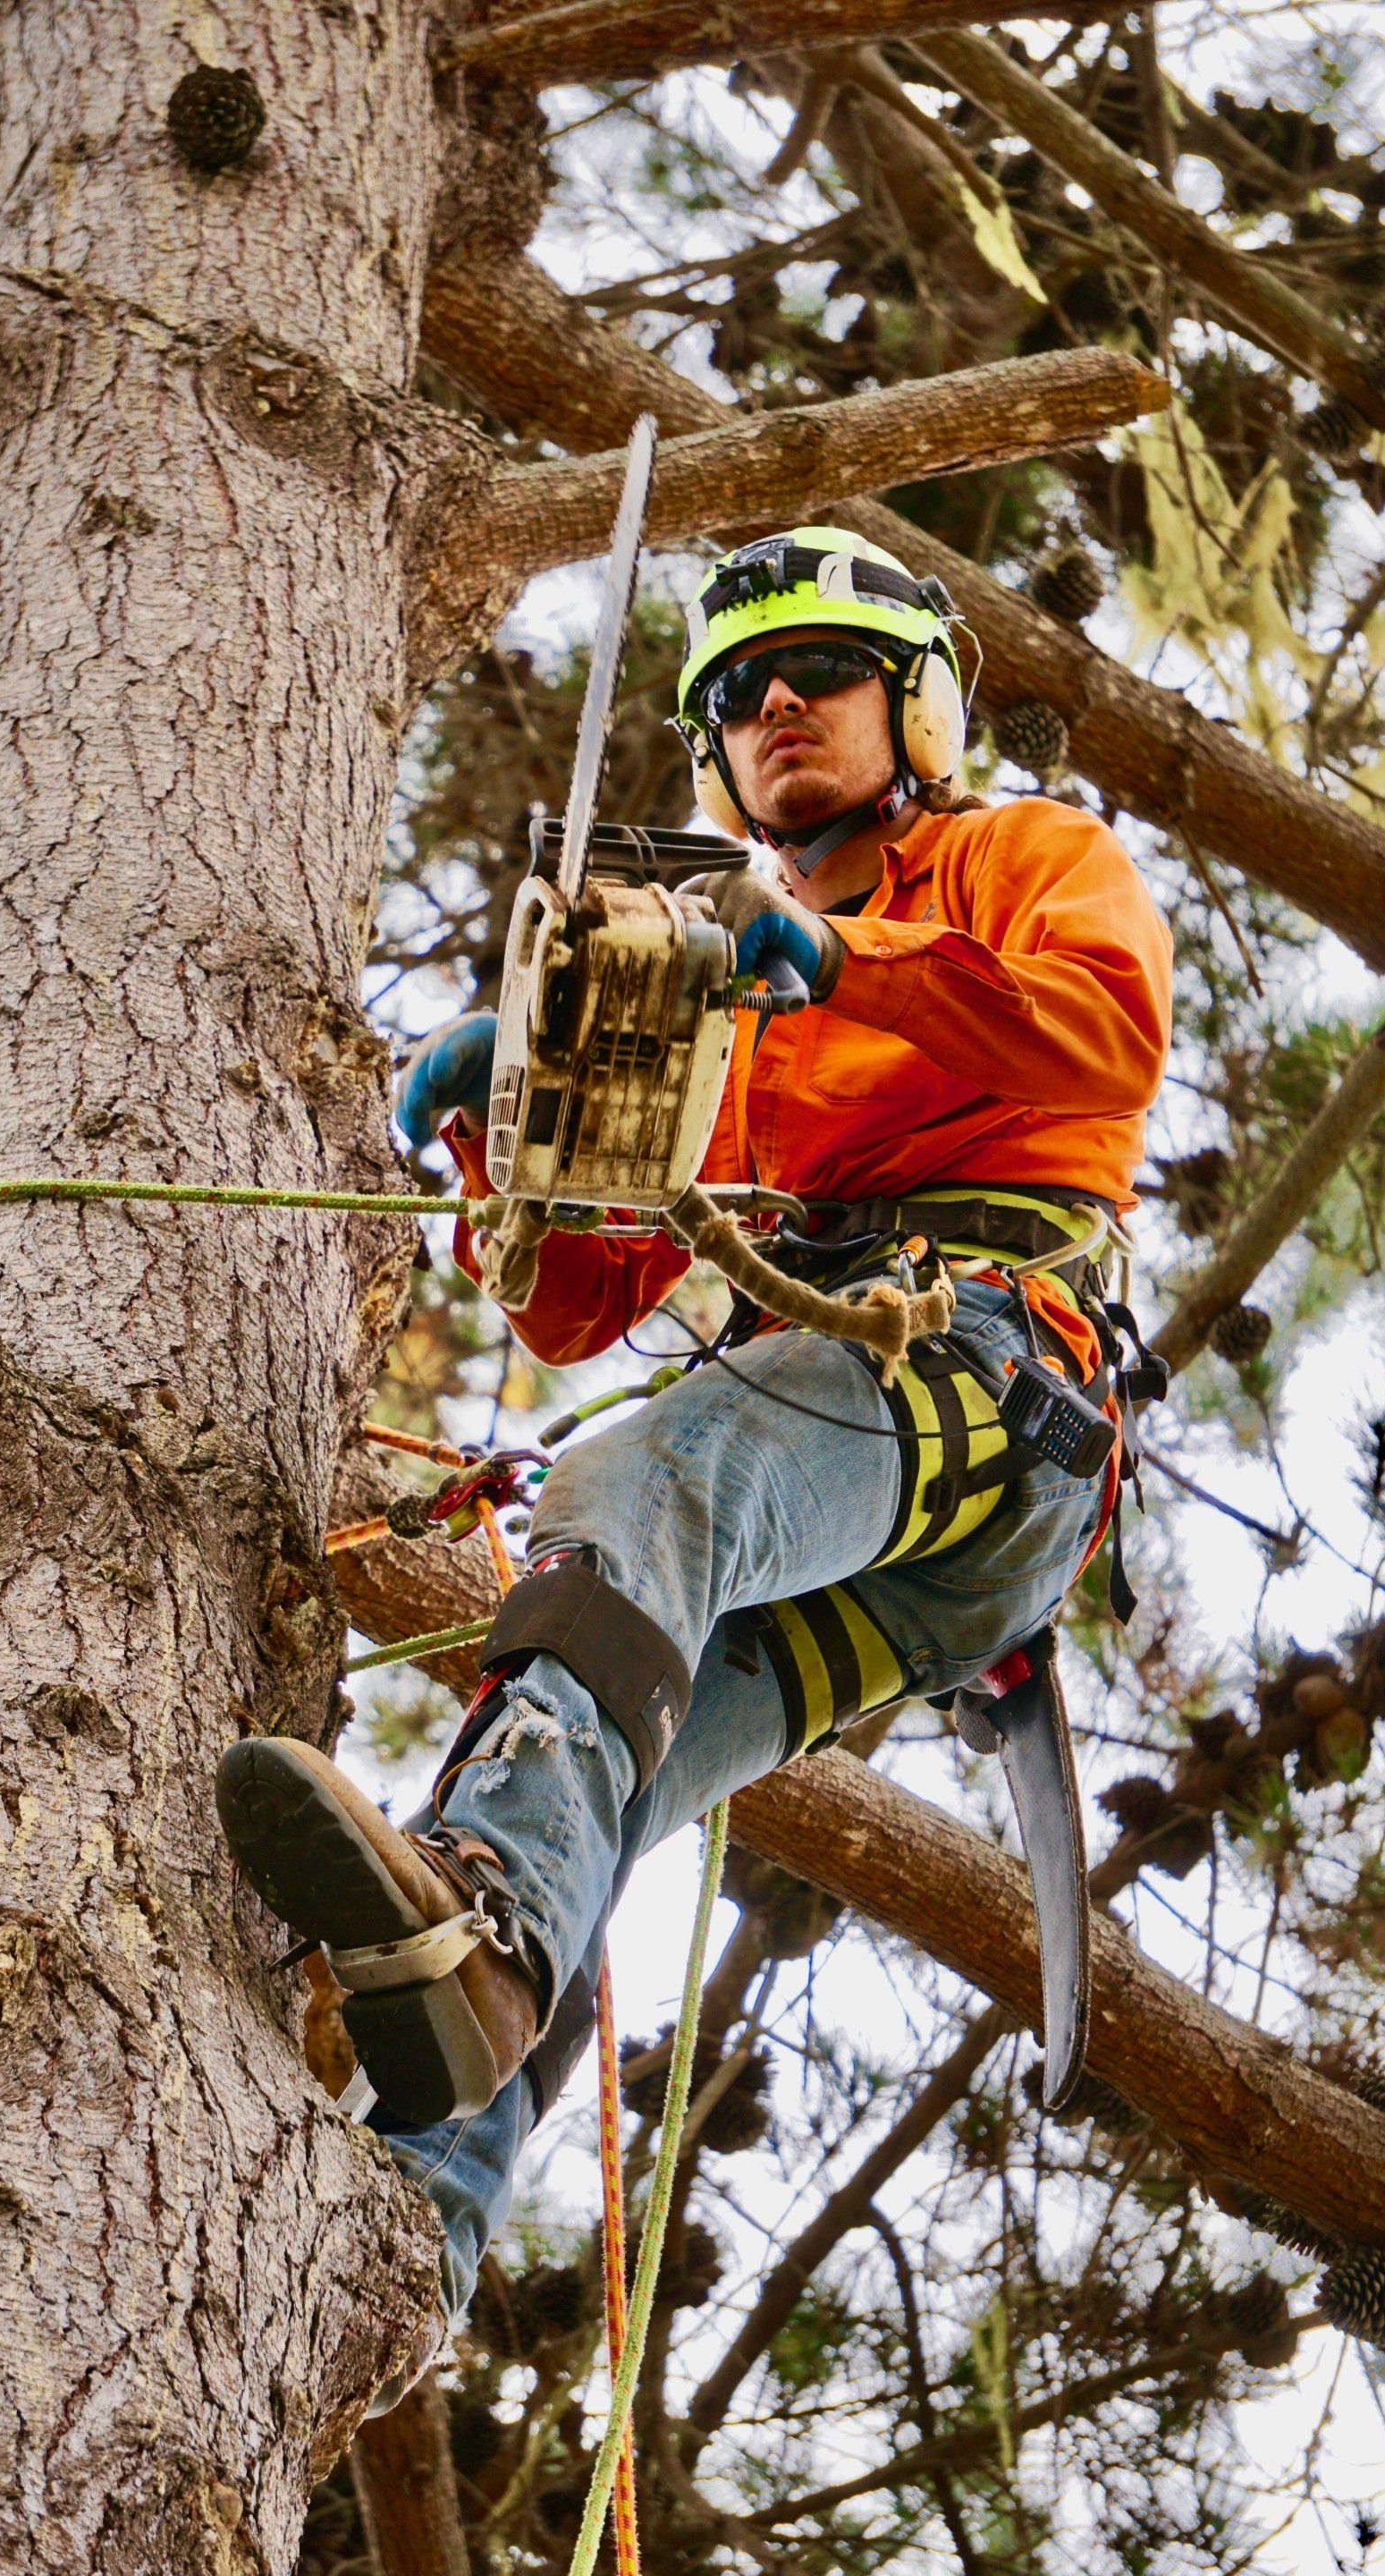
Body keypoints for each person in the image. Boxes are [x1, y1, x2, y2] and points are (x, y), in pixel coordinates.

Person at [216, 526, 1173, 2408]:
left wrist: (843, 958)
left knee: (645, 1485)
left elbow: (1105, 1028)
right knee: (591, 1789)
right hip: (843, 1494)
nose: (776, 707)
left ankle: (476, 1937)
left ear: (921, 705)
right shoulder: (718, 995)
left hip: (979, 1369)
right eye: (736, 694)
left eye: (815, 672)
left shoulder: (1010, 862)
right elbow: (580, 1305)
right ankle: (419, 2226)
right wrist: (517, 1133)